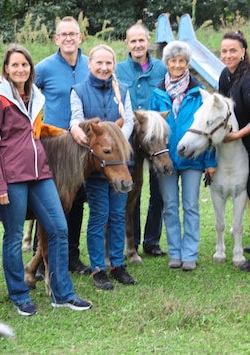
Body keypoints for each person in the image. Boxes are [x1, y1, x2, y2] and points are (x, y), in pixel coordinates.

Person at [0, 44, 92, 315]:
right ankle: (19, 295)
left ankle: (62, 293)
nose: (20, 69)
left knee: (59, 229)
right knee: (14, 235)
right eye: (14, 65)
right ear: (6, 68)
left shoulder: (34, 95)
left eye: (25, 64)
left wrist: (64, 133)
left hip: (40, 172)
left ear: (31, 68)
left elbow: (36, 129)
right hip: (12, 176)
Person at [69, 44, 137, 290]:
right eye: (99, 63)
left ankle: (117, 265)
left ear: (114, 65)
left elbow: (128, 120)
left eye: (108, 63)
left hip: (120, 162)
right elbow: (76, 119)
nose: (104, 67)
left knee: (118, 215)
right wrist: (79, 129)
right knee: (99, 216)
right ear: (90, 64)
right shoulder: (78, 90)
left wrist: (115, 136)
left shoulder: (124, 90)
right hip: (97, 166)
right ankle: (98, 268)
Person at [150, 40, 217, 271]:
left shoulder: (200, 94)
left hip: (193, 159)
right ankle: (175, 253)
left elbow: (208, 129)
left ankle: (190, 254)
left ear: (187, 63)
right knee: (169, 205)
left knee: (190, 206)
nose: (177, 65)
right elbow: (152, 129)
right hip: (166, 159)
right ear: (166, 63)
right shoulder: (157, 93)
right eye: (172, 61)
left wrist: (210, 162)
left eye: (181, 61)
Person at [34, 16, 91, 275]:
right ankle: (39, 258)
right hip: (52, 146)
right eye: (63, 34)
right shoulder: (44, 68)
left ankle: (71, 256)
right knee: (47, 199)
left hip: (81, 145)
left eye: (73, 34)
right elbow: (25, 96)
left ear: (80, 37)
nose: (68, 38)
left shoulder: (91, 65)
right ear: (56, 39)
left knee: (76, 200)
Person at [217, 31, 250, 273]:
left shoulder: (249, 82)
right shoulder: (225, 76)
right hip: (236, 147)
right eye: (224, 51)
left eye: (233, 50)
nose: (228, 55)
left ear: (243, 52)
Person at [116, 23, 168, 257]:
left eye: (142, 40)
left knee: (158, 191)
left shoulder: (161, 69)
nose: (138, 45)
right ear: (127, 44)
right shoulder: (118, 70)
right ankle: (132, 241)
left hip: (155, 138)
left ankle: (152, 240)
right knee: (132, 188)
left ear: (148, 42)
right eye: (133, 41)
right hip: (129, 138)